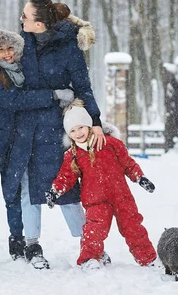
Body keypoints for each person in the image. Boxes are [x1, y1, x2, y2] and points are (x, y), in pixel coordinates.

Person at [0, 0, 106, 269]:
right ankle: (32, 244)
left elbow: (83, 87)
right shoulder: (23, 46)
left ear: (39, 23)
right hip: (25, 129)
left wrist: (95, 120)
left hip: (56, 130)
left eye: (25, 16)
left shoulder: (69, 49)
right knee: (28, 188)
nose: (21, 20)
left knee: (66, 189)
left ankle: (90, 244)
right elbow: (6, 67)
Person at [0, 29, 74, 268]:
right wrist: (52, 95)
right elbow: (13, 101)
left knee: (13, 196)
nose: (7, 54)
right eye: (1, 50)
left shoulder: (24, 73)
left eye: (10, 49)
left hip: (15, 146)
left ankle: (18, 242)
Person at [45, 100, 157, 270]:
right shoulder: (72, 154)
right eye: (73, 131)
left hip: (121, 196)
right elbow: (66, 176)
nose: (78, 133)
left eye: (81, 127)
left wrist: (140, 178)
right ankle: (89, 259)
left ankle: (148, 259)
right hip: (95, 200)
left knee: (133, 227)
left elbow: (128, 163)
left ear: (90, 125)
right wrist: (55, 191)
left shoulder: (111, 143)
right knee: (94, 231)